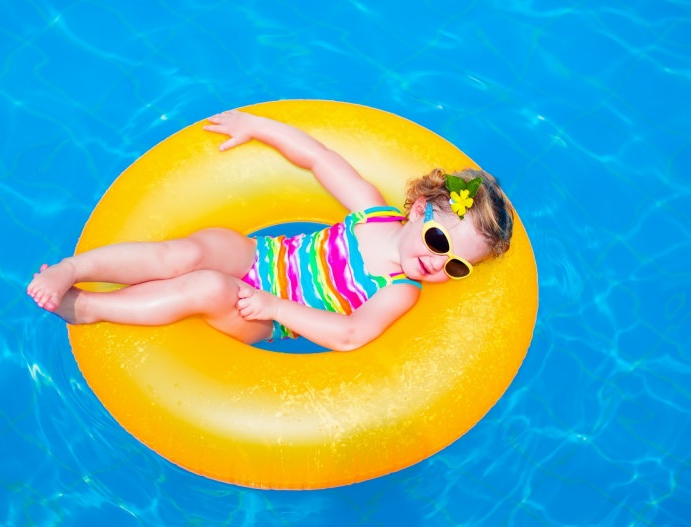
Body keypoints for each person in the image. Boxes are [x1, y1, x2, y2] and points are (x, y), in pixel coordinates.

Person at [27, 109, 513, 351]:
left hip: (264, 316)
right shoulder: (373, 211)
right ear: (419, 208)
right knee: (187, 253)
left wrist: (273, 306)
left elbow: (348, 335)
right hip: (260, 257)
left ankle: (90, 308)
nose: (435, 262)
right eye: (438, 242)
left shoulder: (401, 290)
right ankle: (72, 267)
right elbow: (322, 160)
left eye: (455, 266)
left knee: (206, 286)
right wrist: (258, 126)